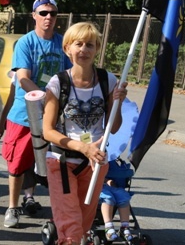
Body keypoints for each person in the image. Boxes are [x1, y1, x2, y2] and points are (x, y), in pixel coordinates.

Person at [43, 22, 126, 244]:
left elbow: (113, 126)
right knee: (71, 228)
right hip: (62, 161)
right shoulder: (58, 83)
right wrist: (82, 147)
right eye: (78, 44)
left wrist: (118, 102)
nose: (84, 50)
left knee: (83, 225)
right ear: (67, 48)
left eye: (90, 45)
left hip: (95, 163)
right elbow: (47, 131)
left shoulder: (108, 80)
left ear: (97, 48)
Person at [0, 0, 72, 228]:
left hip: (55, 115)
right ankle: (12, 207)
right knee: (18, 164)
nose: (48, 17)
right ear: (34, 16)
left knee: (57, 165)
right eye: (43, 13)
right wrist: (43, 98)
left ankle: (60, 212)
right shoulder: (26, 43)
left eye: (52, 13)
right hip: (25, 114)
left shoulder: (63, 44)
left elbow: (71, 76)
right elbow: (22, 78)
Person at [99, 160, 134, 242]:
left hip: (113, 186)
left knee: (124, 197)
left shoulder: (112, 160)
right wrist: (106, 180)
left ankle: (124, 226)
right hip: (97, 187)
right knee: (108, 198)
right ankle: (108, 227)